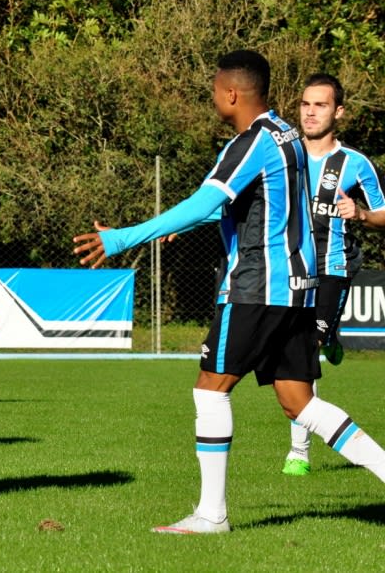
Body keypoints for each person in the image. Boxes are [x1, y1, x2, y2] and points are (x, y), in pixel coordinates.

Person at [73, 50, 385, 534]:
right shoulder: (288, 136)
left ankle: (211, 514)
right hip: (300, 288)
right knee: (300, 403)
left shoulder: (253, 141)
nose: (214, 97)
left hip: (256, 287)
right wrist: (199, 219)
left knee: (211, 389)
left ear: (231, 94)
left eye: (215, 90)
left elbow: (207, 200)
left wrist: (120, 238)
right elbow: (261, 204)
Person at [281, 73, 385, 476]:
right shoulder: (282, 155)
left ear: (338, 112)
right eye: (305, 104)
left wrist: (359, 213)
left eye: (320, 105)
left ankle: (299, 452)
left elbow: (382, 212)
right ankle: (332, 335)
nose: (310, 112)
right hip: (287, 268)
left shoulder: (355, 163)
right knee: (294, 350)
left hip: (331, 268)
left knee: (304, 349)